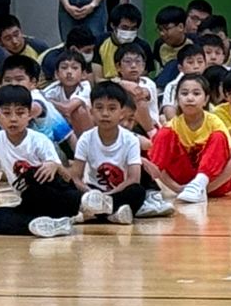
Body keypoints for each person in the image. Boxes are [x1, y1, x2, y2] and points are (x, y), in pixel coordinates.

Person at [0, 83, 80, 239]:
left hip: (58, 197)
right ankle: (48, 224)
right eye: (6, 113)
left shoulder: (39, 140)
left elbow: (67, 178)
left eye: (20, 113)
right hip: (31, 204)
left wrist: (55, 166)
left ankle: (62, 216)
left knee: (31, 175)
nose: (13, 119)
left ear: (29, 115)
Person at [72, 81, 175, 222]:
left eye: (112, 108)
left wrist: (107, 197)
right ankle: (112, 216)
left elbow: (134, 179)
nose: (105, 114)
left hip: (119, 192)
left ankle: (95, 215)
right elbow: (76, 177)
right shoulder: (86, 138)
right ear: (91, 112)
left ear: (121, 112)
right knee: (70, 193)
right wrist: (91, 193)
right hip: (93, 191)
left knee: (137, 191)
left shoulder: (130, 139)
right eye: (99, 108)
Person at [152, 74, 231, 201]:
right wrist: (176, 188)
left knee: (219, 136)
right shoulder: (172, 126)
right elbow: (157, 163)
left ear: (206, 99)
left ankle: (199, 182)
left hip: (212, 183)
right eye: (184, 93)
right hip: (185, 184)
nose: (190, 98)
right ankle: (149, 188)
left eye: (196, 93)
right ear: (177, 99)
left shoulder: (214, 122)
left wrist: (205, 189)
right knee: (164, 134)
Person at [149, 5, 189, 70]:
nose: (162, 33)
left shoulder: (195, 42)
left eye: (166, 29)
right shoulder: (159, 44)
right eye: (160, 29)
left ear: (180, 27)